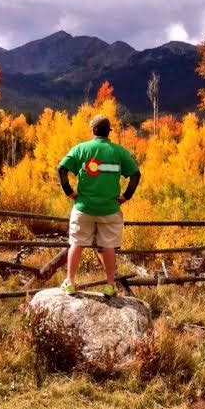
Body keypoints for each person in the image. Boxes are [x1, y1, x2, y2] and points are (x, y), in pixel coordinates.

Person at [57, 115, 141, 296]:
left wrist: (69, 192)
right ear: (108, 132)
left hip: (83, 208)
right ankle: (110, 285)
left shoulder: (81, 149)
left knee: (76, 244)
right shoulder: (118, 151)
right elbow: (135, 174)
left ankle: (70, 283)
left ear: (93, 131)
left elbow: (61, 169)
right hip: (110, 209)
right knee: (108, 246)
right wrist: (126, 196)